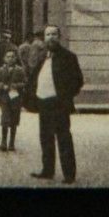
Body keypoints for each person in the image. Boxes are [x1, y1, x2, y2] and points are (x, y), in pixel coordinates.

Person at [27, 24, 84, 184]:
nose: (50, 38)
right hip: (43, 103)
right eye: (47, 35)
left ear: (59, 37)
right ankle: (47, 170)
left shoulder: (68, 57)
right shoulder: (44, 57)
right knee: (45, 138)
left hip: (59, 104)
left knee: (63, 138)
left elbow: (77, 80)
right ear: (44, 38)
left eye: (53, 34)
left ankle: (69, 174)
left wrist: (65, 97)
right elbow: (35, 78)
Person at [0, 49, 27, 152]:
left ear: (16, 58)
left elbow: (25, 82)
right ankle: (3, 142)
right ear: (4, 59)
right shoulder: (1, 70)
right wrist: (2, 86)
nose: (10, 59)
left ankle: (11, 142)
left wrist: (16, 86)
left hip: (16, 99)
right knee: (4, 119)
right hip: (5, 98)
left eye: (12, 57)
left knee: (14, 120)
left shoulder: (20, 70)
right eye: (8, 57)